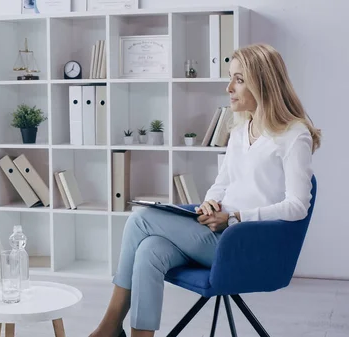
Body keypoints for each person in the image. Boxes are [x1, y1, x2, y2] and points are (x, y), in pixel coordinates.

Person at [89, 43, 321, 337]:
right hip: (218, 233)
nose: (229, 88)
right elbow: (221, 185)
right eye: (230, 77)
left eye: (239, 79)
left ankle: (108, 327)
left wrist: (234, 217)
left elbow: (298, 206)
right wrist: (210, 203)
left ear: (263, 82)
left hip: (247, 247)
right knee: (149, 250)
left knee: (140, 219)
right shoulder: (239, 131)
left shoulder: (294, 134)